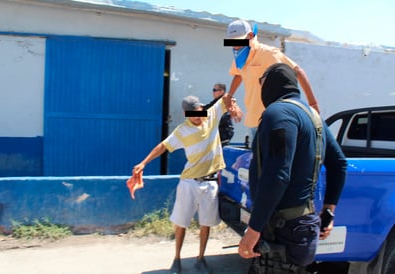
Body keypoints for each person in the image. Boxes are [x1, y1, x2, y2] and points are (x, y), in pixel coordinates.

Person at [237, 64, 347, 273]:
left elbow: (278, 174)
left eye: (261, 84)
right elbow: (339, 163)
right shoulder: (314, 117)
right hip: (304, 225)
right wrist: (329, 212)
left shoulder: (277, 113)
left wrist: (254, 228)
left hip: (282, 231)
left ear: (270, 84)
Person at [132, 95, 228, 274]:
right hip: (189, 183)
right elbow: (162, 146)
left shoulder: (212, 115)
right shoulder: (181, 131)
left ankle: (201, 259)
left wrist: (239, 78)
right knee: (181, 223)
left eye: (199, 113)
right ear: (186, 114)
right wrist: (143, 163)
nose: (197, 117)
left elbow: (227, 98)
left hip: (210, 183)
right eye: (192, 115)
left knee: (205, 224)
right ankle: (176, 259)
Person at [223, 19, 320, 138]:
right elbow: (238, 74)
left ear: (250, 36)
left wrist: (313, 104)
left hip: (270, 120)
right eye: (231, 41)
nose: (234, 45)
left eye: (237, 40)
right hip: (252, 121)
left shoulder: (269, 53)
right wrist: (230, 95)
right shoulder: (240, 58)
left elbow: (297, 70)